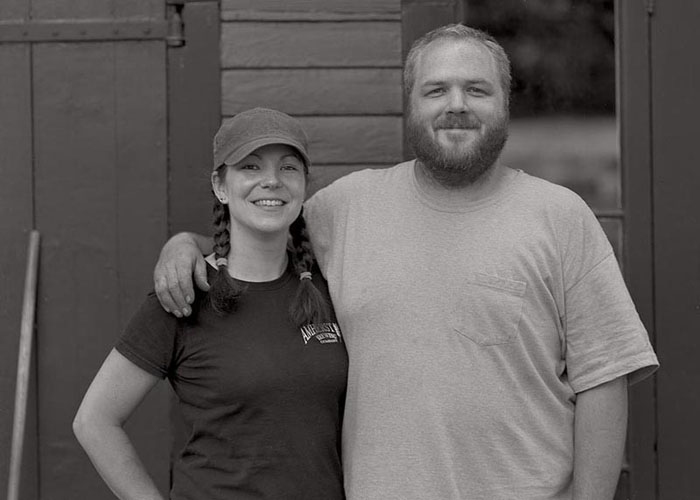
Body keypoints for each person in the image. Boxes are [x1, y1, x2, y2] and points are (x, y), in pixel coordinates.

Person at [153, 25, 658, 500]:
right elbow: (258, 237)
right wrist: (186, 244)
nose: (456, 105)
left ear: (505, 102)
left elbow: (604, 378)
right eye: (436, 90)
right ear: (411, 105)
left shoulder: (560, 217)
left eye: (477, 90)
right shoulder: (347, 208)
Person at [73, 108, 348, 500]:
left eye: (288, 168)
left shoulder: (328, 285)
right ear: (221, 186)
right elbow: (94, 421)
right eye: (250, 166)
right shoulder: (185, 291)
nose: (271, 180)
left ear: (304, 185)